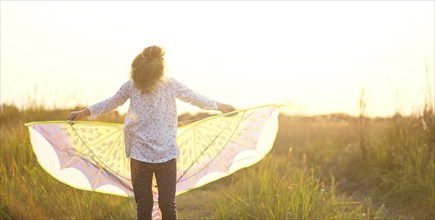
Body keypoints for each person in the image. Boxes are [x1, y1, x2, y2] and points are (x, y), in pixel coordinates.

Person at [67, 45, 234, 220]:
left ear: (157, 75)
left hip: (167, 156)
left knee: (167, 204)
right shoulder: (131, 86)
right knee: (144, 206)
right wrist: (84, 113)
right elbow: (111, 102)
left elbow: (194, 97)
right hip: (140, 157)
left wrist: (220, 106)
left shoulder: (171, 85)